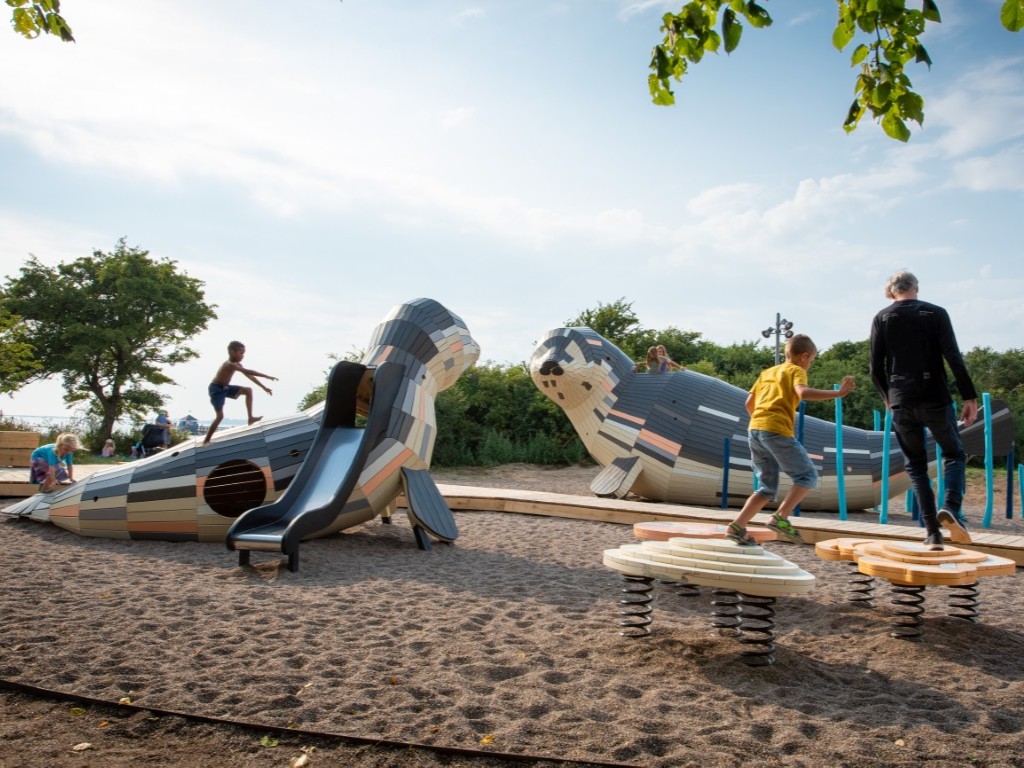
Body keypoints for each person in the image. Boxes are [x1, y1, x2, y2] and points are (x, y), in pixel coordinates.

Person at [869, 271, 977, 551]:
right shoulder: (936, 313)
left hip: (901, 400)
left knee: (915, 466)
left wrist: (887, 398)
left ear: (892, 292)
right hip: (935, 397)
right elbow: (953, 356)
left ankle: (932, 535)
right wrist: (969, 396)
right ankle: (951, 506)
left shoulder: (881, 317)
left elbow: (875, 369)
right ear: (916, 288)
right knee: (954, 454)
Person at [727, 334, 856, 545]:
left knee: (766, 487)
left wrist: (762, 421)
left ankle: (736, 527)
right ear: (804, 356)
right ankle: (781, 517)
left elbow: (749, 403)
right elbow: (802, 393)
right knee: (807, 477)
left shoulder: (767, 372)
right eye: (811, 361)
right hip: (776, 430)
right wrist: (838, 394)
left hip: (755, 429)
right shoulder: (796, 370)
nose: (809, 366)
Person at [203, 341, 278, 445]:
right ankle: (206, 440)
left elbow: (250, 377)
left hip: (225, 388)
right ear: (232, 352)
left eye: (243, 353)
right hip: (216, 389)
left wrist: (264, 387)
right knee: (220, 416)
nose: (243, 356)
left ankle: (250, 418)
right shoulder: (229, 364)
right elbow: (249, 371)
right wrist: (266, 376)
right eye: (240, 353)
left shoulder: (237, 364)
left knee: (248, 390)